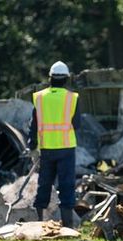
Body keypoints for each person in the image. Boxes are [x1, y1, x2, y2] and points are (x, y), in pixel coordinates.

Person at [29, 61, 80, 228]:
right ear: (66, 79)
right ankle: (68, 226)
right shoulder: (72, 98)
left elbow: (34, 124)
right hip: (66, 148)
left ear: (50, 78)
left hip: (47, 149)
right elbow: (77, 124)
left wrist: (32, 144)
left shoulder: (39, 97)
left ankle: (38, 223)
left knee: (44, 184)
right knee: (67, 186)